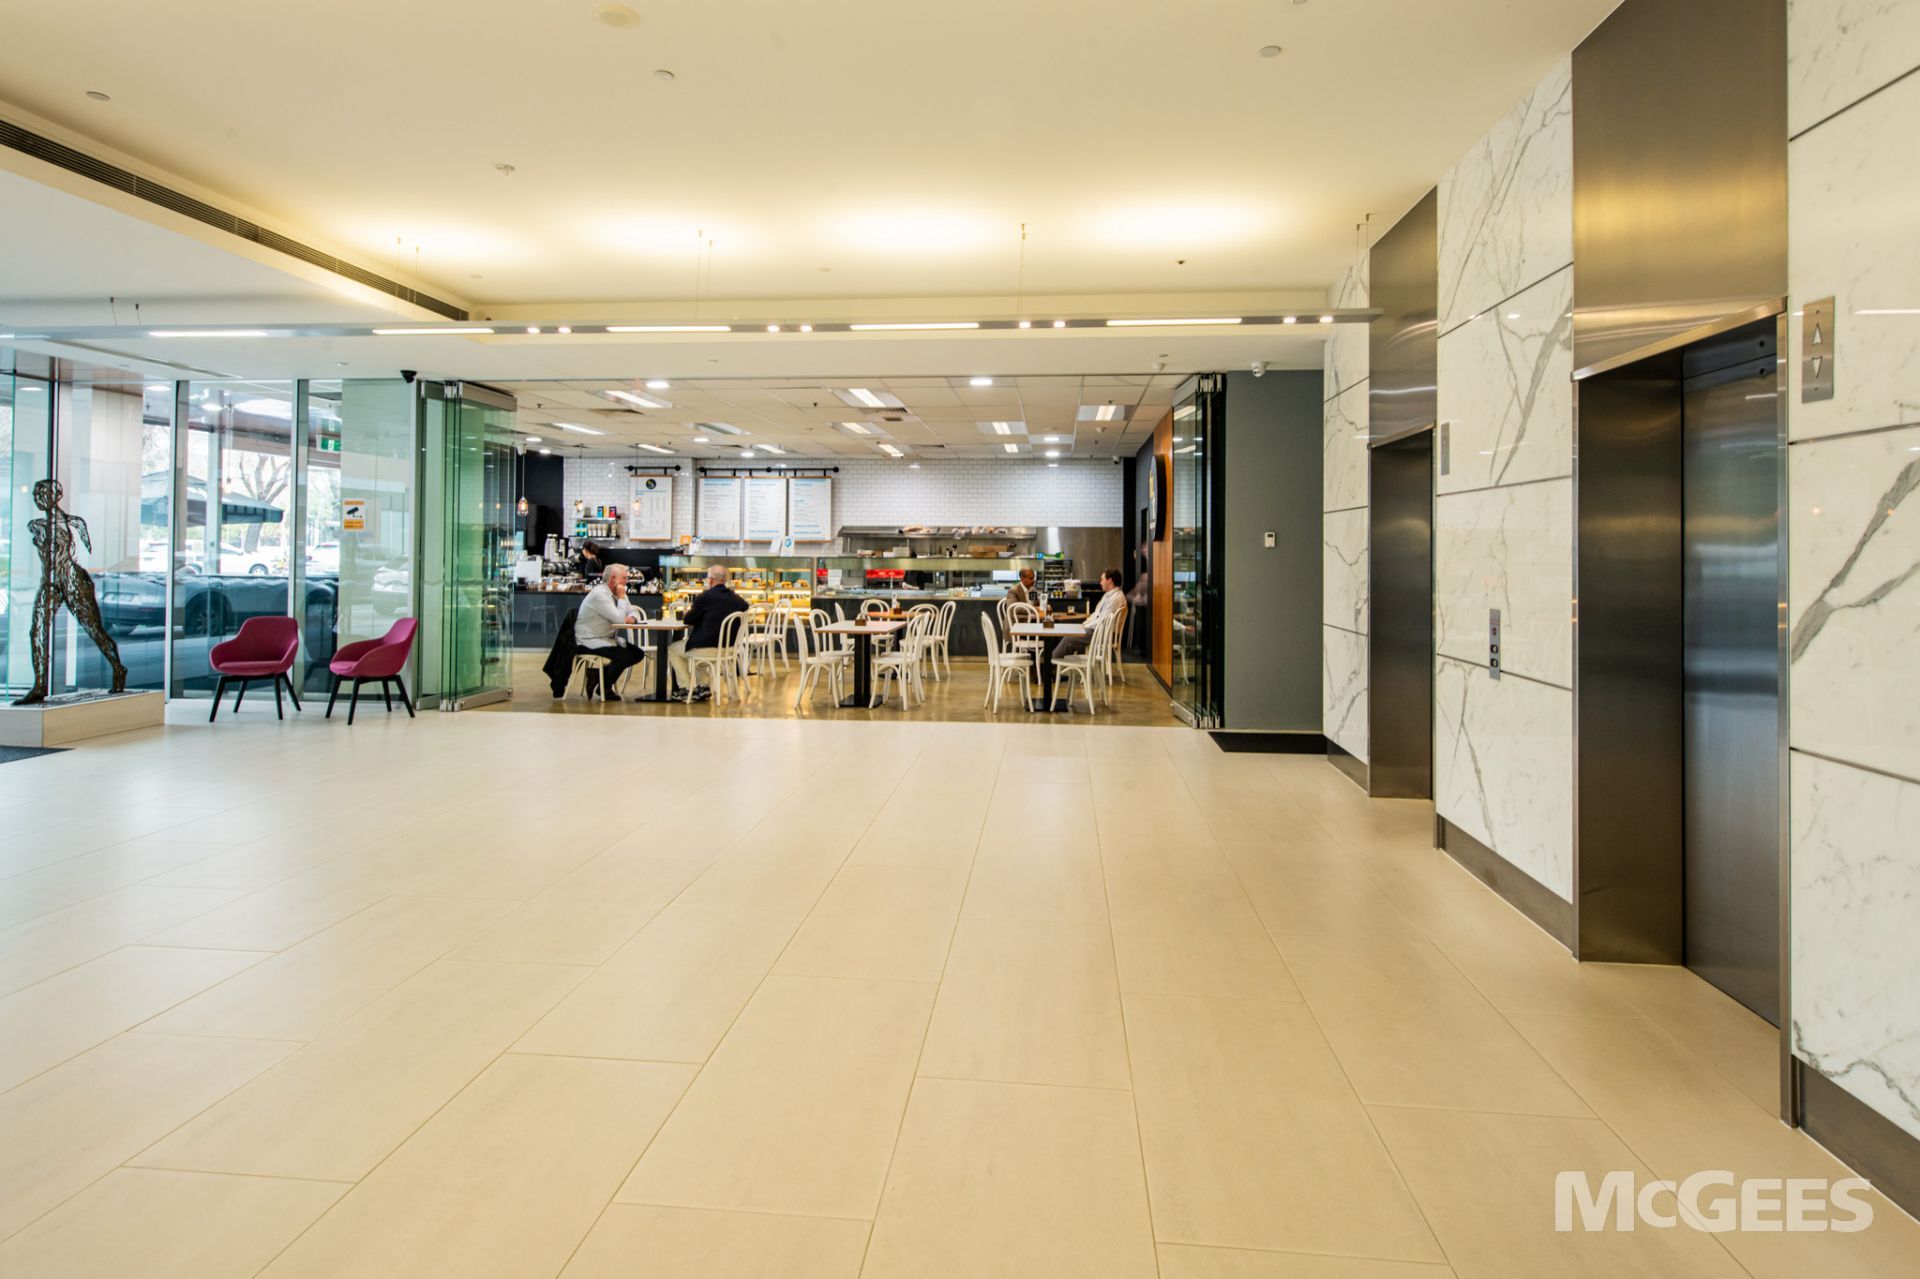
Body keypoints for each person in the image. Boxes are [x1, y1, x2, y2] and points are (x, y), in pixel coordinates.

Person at [668, 564, 748, 701]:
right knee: (699, 649)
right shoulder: (736, 599)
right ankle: (703, 687)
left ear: (710, 580)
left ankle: (686, 688)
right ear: (725, 580)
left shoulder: (705, 597)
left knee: (674, 649)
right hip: (728, 649)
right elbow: (745, 606)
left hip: (706, 649)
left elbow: (688, 619)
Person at [572, 563, 646, 699]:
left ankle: (597, 676)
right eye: (624, 578)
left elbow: (632, 611)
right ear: (613, 578)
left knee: (637, 654)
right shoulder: (600, 595)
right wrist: (622, 599)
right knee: (625, 656)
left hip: (606, 639)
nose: (626, 581)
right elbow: (619, 619)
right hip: (590, 640)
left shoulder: (618, 593)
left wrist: (632, 618)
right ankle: (604, 687)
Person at [1050, 568, 1125, 661]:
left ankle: (1051, 663)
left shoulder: (1114, 599)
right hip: (1100, 631)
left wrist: (1084, 627)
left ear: (1110, 580)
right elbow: (1096, 615)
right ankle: (1061, 665)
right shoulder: (1110, 595)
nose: (1100, 582)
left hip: (1103, 633)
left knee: (1068, 639)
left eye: (1102, 579)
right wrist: (1084, 625)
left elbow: (1102, 622)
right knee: (1067, 634)